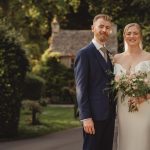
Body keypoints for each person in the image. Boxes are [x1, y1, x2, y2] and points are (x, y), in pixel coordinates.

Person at [74, 14, 116, 150]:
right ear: (93, 28)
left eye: (107, 27)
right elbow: (81, 88)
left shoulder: (108, 55)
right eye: (101, 26)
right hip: (93, 117)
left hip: (109, 116)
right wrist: (86, 117)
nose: (104, 30)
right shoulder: (84, 54)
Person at [114, 23, 150, 150]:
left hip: (144, 107)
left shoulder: (148, 57)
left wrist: (143, 97)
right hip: (123, 108)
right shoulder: (116, 59)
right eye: (128, 33)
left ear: (140, 36)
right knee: (125, 142)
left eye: (135, 33)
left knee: (143, 140)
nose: (132, 36)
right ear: (124, 36)